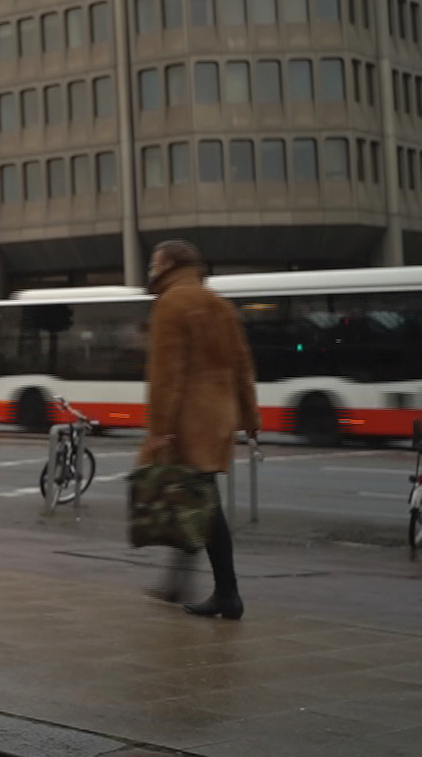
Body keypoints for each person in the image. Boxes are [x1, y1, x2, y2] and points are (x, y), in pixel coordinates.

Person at [136, 239, 261, 620]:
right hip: (218, 418)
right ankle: (182, 583)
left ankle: (227, 593)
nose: (151, 270)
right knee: (197, 499)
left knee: (203, 506)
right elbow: (243, 367)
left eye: (155, 262)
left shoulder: (171, 304)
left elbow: (166, 376)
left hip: (188, 419)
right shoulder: (219, 305)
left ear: (170, 264)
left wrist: (159, 431)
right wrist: (251, 420)